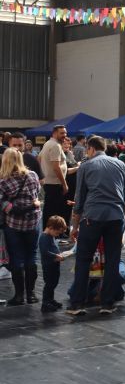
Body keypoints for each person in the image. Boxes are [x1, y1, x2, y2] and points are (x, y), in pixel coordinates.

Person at [67, 136, 125, 316]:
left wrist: (75, 226)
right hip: (115, 216)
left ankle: (77, 304)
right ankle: (107, 304)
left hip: (92, 217)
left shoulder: (86, 166)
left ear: (91, 149)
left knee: (83, 260)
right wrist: (122, 219)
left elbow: (79, 199)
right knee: (112, 260)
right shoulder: (120, 164)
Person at [0, 148, 43, 306]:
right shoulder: (33, 175)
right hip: (33, 221)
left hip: (13, 223)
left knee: (17, 258)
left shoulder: (3, 181)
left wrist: (12, 208)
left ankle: (19, 296)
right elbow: (37, 193)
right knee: (32, 256)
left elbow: (1, 202)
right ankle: (31, 295)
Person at [39, 125, 69, 230]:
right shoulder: (55, 145)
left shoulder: (48, 143)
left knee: (50, 210)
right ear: (54, 133)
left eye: (65, 133)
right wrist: (64, 184)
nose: (64, 135)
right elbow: (56, 167)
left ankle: (49, 233)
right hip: (55, 184)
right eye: (62, 133)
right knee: (54, 212)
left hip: (50, 183)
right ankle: (51, 233)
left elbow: (39, 158)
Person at [39, 215, 67, 312]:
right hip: (48, 265)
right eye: (57, 232)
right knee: (49, 284)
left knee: (53, 282)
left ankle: (50, 300)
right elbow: (45, 251)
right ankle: (45, 302)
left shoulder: (51, 236)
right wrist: (56, 256)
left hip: (54, 264)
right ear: (51, 228)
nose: (57, 235)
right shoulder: (44, 237)